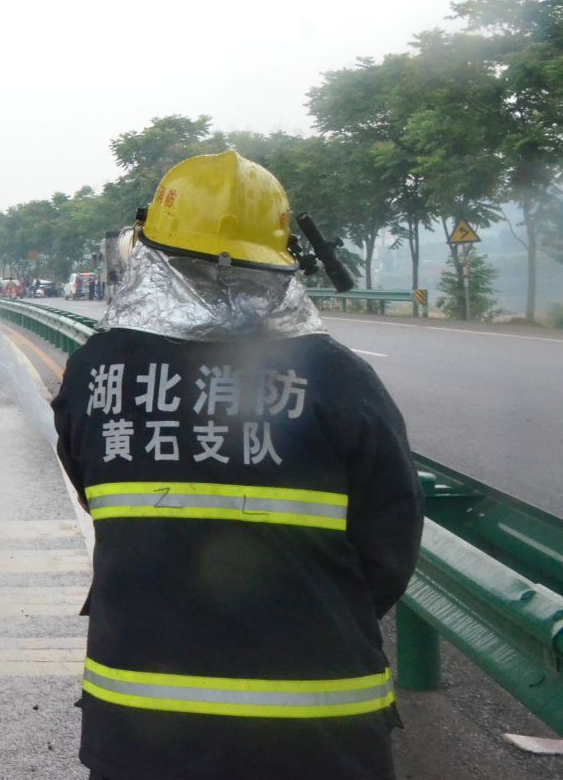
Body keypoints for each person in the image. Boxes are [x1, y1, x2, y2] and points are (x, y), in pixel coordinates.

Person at [51, 150, 422, 780]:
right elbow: (389, 547)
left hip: (142, 729)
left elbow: (98, 495)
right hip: (319, 735)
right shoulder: (338, 377)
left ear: (151, 253)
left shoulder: (98, 371)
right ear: (280, 263)